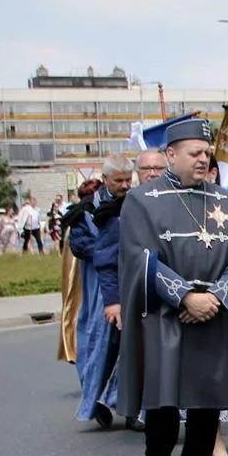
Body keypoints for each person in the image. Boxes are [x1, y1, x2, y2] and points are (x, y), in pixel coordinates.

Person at [116, 118, 228, 456]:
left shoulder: (224, 199)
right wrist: (185, 297)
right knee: (163, 410)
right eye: (194, 153)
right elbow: (138, 259)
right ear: (170, 154)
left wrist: (214, 297)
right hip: (166, 319)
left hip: (211, 319)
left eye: (206, 153)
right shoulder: (143, 200)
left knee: (206, 410)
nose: (203, 160)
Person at [96, 150, 166, 433]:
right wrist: (113, 301)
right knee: (132, 354)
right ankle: (129, 408)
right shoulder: (122, 209)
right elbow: (106, 259)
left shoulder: (170, 200)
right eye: (146, 168)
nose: (152, 173)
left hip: (164, 291)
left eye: (157, 168)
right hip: (133, 293)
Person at [68, 157, 133, 428]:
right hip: (99, 284)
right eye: (118, 180)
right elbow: (78, 244)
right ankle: (95, 399)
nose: (124, 185)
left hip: (131, 280)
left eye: (128, 179)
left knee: (131, 345)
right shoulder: (85, 210)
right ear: (105, 180)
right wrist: (109, 248)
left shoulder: (137, 203)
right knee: (98, 342)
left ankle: (125, 402)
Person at [56, 181, 100, 365]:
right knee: (81, 304)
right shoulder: (85, 213)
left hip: (76, 259)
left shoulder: (77, 212)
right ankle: (75, 346)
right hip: (82, 264)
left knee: (74, 303)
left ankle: (72, 346)